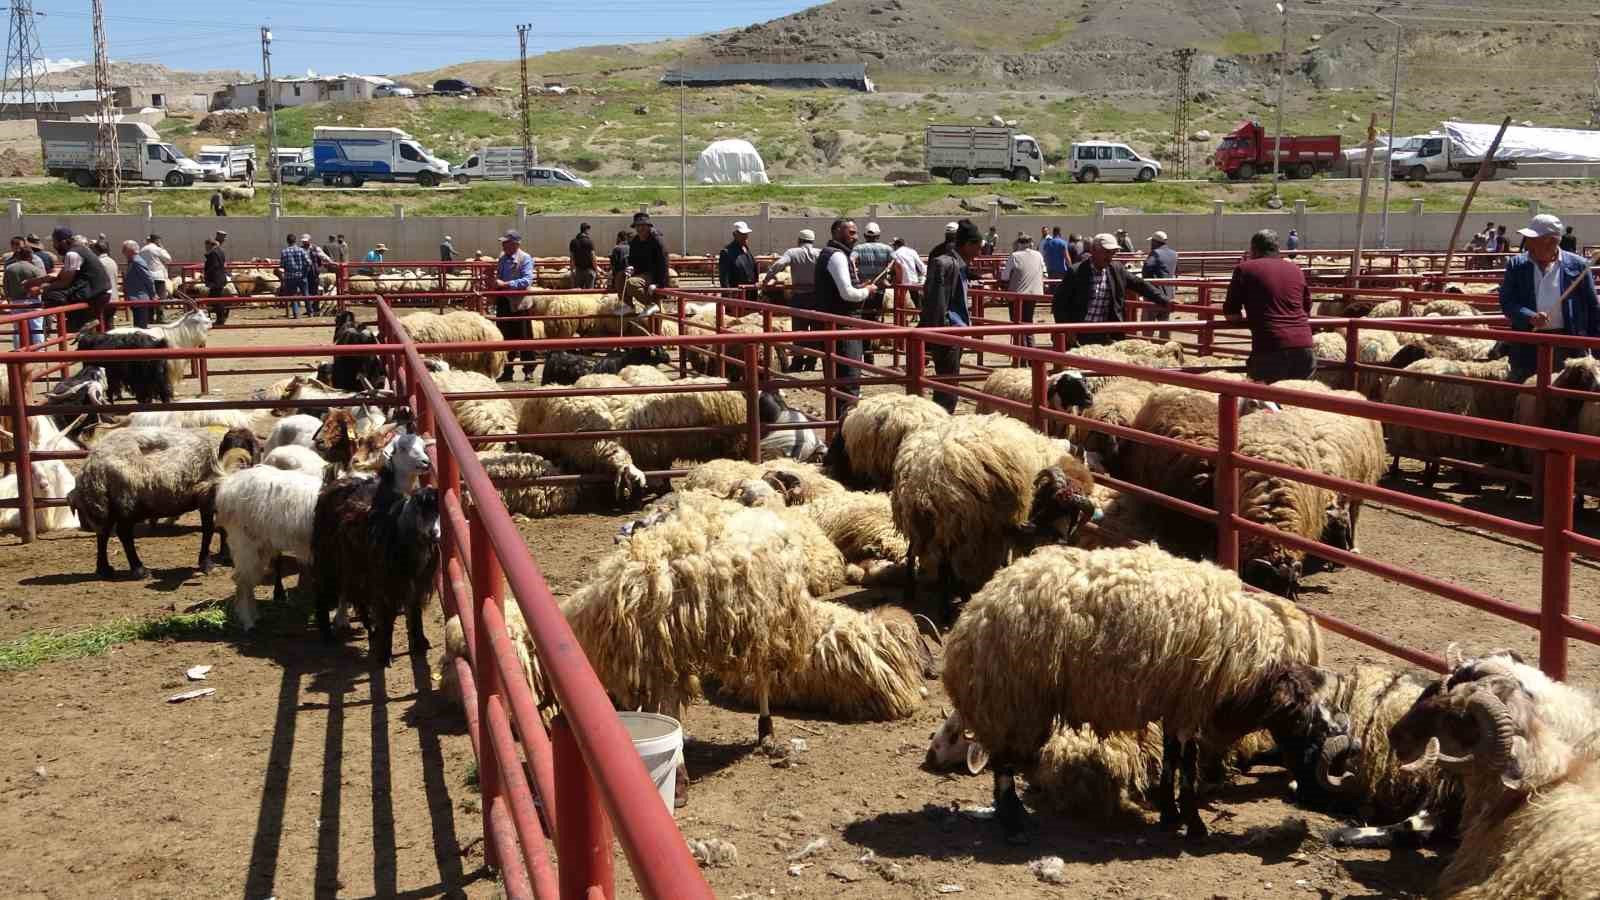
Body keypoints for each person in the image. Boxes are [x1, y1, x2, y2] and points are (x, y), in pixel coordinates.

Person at [1499, 214, 1600, 384]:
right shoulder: (1516, 265)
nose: (1527, 243)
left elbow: (1592, 307)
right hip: (1528, 344)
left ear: (1552, 242)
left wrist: (1596, 348)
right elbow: (1507, 301)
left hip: (1568, 345)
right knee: (1525, 396)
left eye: (1533, 239)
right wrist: (1529, 316)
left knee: (1567, 399)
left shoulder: (1578, 266)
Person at [1223, 229, 1315, 383]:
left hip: (1270, 347)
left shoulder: (1245, 269)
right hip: (1304, 347)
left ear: (1254, 249)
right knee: (1298, 403)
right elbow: (1306, 308)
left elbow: (1231, 313)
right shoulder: (1295, 269)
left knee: (1264, 402)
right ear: (1277, 249)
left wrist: (1250, 319)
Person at [1052, 232, 1170, 345]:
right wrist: (1067, 329)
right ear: (1093, 250)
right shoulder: (1076, 272)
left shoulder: (1117, 269)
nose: (1109, 257)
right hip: (1080, 332)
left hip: (1106, 333)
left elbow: (1140, 284)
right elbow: (1059, 302)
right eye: (1106, 252)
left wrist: (1165, 300)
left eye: (1112, 253)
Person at [921, 220, 983, 412]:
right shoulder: (945, 264)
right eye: (977, 248)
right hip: (948, 334)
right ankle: (941, 423)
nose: (979, 253)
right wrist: (941, 333)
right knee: (948, 387)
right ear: (967, 244)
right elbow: (936, 302)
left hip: (953, 332)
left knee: (949, 384)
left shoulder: (954, 264)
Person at [814, 217, 873, 405]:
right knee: (849, 380)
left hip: (833, 323)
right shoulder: (837, 256)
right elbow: (847, 294)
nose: (855, 237)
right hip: (844, 325)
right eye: (851, 232)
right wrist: (866, 291)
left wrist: (859, 287)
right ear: (836, 232)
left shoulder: (829, 254)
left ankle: (838, 425)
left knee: (838, 379)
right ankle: (844, 428)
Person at [27, 226, 112, 333]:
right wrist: (41, 282)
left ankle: (76, 321)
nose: (54, 246)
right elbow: (61, 276)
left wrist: (42, 290)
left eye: (54, 242)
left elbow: (65, 282)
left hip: (94, 293)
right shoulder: (81, 250)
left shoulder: (73, 254)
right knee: (54, 292)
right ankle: (79, 321)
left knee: (52, 295)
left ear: (62, 242)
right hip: (98, 291)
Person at [764, 228, 822, 371]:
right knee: (816, 331)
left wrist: (768, 278)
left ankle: (797, 360)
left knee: (798, 330)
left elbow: (779, 264)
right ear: (812, 241)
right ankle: (811, 361)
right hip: (816, 297)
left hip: (799, 297)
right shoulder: (819, 253)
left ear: (799, 241)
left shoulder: (792, 252)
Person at [492, 230, 537, 381]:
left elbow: (527, 280)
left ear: (516, 243)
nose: (503, 245)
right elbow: (499, 275)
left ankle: (528, 369)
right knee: (506, 338)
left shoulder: (525, 258)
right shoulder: (502, 258)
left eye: (506, 242)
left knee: (524, 338)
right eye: (503, 242)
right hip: (504, 302)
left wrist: (505, 284)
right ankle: (507, 370)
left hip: (519, 304)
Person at [851, 222, 894, 362]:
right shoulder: (887, 249)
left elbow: (851, 260)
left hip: (864, 288)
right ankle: (870, 353)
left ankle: (866, 353)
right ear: (879, 235)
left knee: (862, 320)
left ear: (864, 235)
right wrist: (888, 274)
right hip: (880, 289)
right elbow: (895, 262)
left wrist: (856, 278)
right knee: (874, 319)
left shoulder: (859, 248)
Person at [1001, 233, 1045, 347]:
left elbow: (1004, 276)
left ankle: (1021, 355)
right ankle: (1031, 352)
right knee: (1028, 322)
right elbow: (1044, 272)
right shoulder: (1038, 255)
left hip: (1017, 295)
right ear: (1031, 243)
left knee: (1017, 324)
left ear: (1019, 244)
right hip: (1034, 294)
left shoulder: (1014, 256)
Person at [623, 212, 670, 310]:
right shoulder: (635, 241)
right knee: (620, 277)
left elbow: (663, 263)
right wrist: (630, 267)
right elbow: (632, 259)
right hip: (641, 273)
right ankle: (628, 305)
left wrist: (658, 284)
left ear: (648, 227)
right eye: (638, 226)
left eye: (643, 226)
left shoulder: (656, 240)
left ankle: (651, 304)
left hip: (654, 274)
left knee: (631, 283)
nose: (640, 229)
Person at [5, 238, 42, 348]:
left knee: (17, 328)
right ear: (29, 256)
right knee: (37, 327)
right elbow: (41, 284)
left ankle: (18, 348)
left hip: (16, 301)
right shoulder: (35, 269)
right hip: (33, 300)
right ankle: (39, 350)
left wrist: (8, 298)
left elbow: (6, 286)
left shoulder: (10, 268)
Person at [1141, 230, 1179, 335]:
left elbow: (1147, 269)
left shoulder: (1155, 253)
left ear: (1155, 242)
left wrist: (1147, 286)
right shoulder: (1174, 254)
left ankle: (1147, 345)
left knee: (1148, 325)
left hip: (1155, 293)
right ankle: (1165, 346)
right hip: (1169, 293)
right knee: (1165, 324)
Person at [121, 240, 157, 329]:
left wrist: (153, 294)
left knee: (140, 326)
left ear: (130, 251)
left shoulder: (137, 262)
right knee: (138, 325)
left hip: (140, 298)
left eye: (124, 249)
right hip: (136, 298)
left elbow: (148, 278)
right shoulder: (133, 261)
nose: (122, 252)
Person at [279, 233, 313, 319]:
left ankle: (296, 314)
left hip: (290, 277)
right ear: (295, 241)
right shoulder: (301, 250)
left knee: (293, 295)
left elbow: (282, 265)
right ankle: (310, 312)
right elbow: (309, 262)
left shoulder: (284, 252)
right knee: (306, 294)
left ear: (287, 241)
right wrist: (305, 272)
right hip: (301, 276)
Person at [718, 221, 758, 291]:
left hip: (750, 292)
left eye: (746, 234)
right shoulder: (727, 252)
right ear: (735, 234)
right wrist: (729, 294)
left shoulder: (746, 249)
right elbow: (724, 278)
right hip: (737, 293)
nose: (745, 236)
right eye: (742, 234)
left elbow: (753, 270)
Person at [138, 234, 172, 305]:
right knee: (160, 298)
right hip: (158, 277)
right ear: (157, 240)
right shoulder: (157, 249)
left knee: (150, 298)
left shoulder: (142, 250)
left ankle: (150, 315)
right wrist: (162, 248)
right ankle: (160, 315)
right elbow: (168, 259)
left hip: (146, 277)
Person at [204, 234, 230, 325]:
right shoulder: (220, 251)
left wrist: (207, 276)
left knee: (214, 301)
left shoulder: (212, 253)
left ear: (209, 245)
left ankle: (218, 319)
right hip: (220, 279)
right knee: (216, 300)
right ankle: (220, 318)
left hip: (215, 281)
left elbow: (213, 266)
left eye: (206, 246)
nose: (205, 248)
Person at [303, 234, 332, 315]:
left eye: (306, 241)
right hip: (305, 273)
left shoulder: (315, 248)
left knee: (315, 290)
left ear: (309, 240)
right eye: (304, 241)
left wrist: (331, 262)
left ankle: (315, 308)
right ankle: (309, 309)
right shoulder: (301, 249)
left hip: (314, 272)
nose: (305, 243)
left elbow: (323, 256)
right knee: (306, 291)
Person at [569, 222, 597, 289]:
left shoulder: (573, 242)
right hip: (589, 270)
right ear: (586, 230)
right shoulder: (589, 242)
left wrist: (572, 270)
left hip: (578, 271)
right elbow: (593, 257)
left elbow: (572, 258)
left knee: (578, 293)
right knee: (589, 293)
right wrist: (596, 269)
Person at [607, 230, 630, 294]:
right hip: (630, 275)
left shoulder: (616, 248)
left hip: (619, 276)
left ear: (619, 238)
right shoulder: (631, 247)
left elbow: (613, 265)